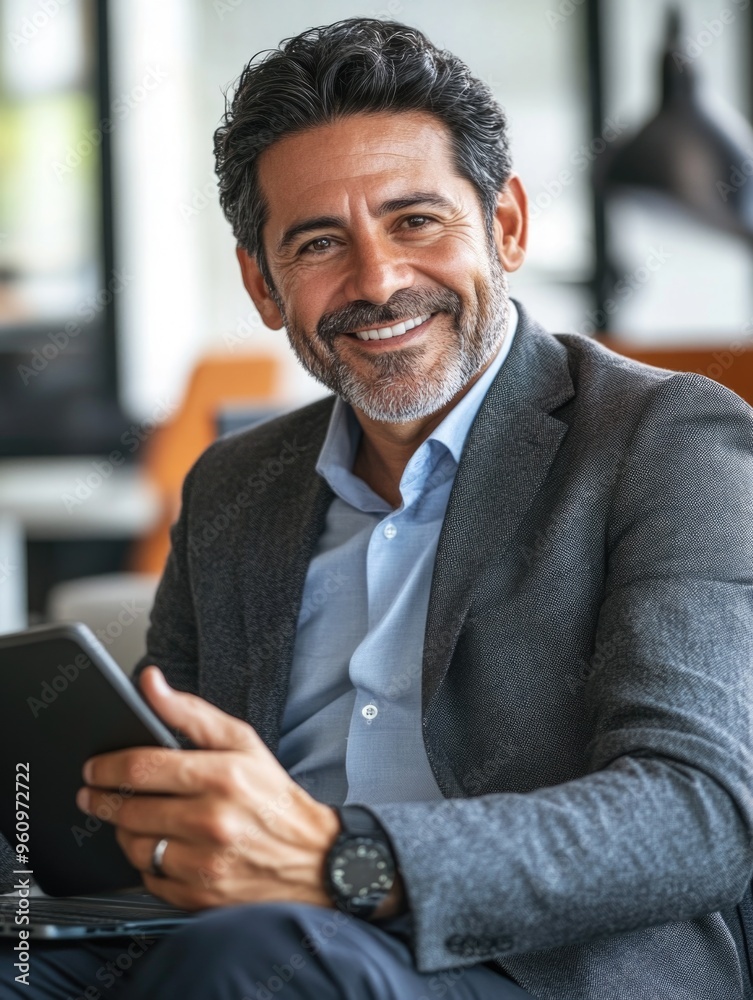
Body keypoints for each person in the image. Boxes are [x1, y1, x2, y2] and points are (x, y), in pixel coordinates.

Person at [2, 17, 753, 1000]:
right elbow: (171, 771)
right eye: (319, 242)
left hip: (532, 968)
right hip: (217, 939)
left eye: (417, 221)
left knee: (243, 964)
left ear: (509, 225)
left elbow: (697, 813)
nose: (379, 281)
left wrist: (338, 856)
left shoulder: (667, 438)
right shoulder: (232, 484)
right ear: (262, 285)